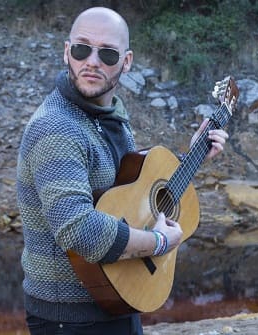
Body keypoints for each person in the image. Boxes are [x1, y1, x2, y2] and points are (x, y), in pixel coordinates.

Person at [16, 7, 228, 335]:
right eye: (82, 48)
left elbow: (130, 195)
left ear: (126, 62)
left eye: (108, 53)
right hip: (70, 317)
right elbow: (80, 230)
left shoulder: (110, 116)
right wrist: (159, 242)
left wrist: (194, 154)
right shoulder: (56, 128)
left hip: (119, 293)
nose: (92, 61)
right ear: (66, 52)